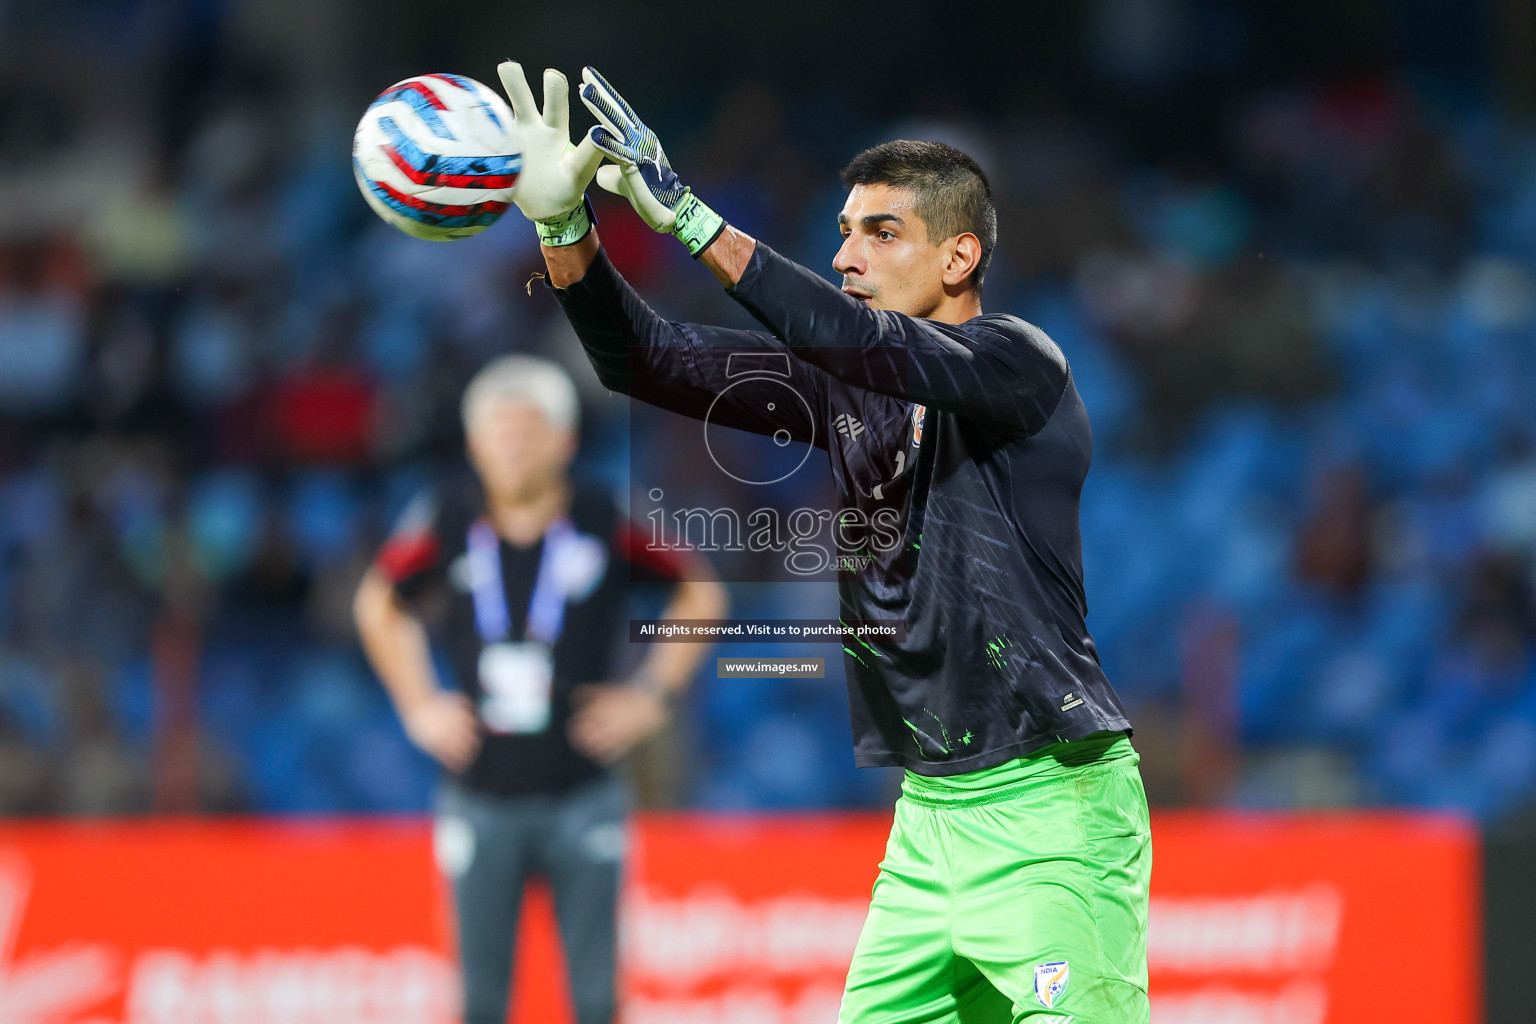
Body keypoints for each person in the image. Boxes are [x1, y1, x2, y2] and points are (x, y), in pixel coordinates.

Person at [492, 62, 1153, 1023]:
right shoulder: (852, 388)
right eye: (842, 231)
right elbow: (644, 357)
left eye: (880, 233)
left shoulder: (1021, 365)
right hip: (928, 822)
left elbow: (854, 337)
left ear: (959, 258)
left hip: (1052, 806)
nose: (847, 253)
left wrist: (686, 216)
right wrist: (566, 232)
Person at [353, 353, 727, 1024]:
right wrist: (418, 705)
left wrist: (652, 695)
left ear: (566, 441)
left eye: (529, 428)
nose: (514, 443)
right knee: (479, 1002)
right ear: (473, 444)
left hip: (584, 790)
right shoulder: (447, 516)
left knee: (595, 1000)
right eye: (499, 430)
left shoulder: (601, 514)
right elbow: (379, 602)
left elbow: (700, 590)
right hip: (478, 794)